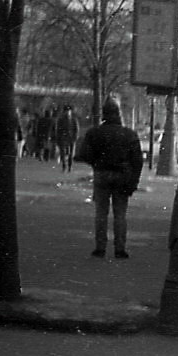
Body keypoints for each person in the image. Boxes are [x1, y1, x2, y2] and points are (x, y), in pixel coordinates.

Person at [75, 99, 144, 259]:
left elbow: (84, 155)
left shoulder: (94, 133)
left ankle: (100, 247)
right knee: (120, 214)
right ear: (118, 114)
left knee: (101, 213)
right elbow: (137, 161)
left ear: (104, 114)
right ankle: (120, 248)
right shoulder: (129, 134)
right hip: (122, 176)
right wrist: (133, 181)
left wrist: (97, 163)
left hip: (101, 174)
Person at [56, 104, 80, 172]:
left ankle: (70, 166)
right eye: (66, 111)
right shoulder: (61, 120)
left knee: (71, 153)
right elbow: (58, 130)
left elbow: (76, 129)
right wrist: (58, 138)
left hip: (71, 138)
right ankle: (64, 165)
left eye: (69, 111)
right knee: (63, 152)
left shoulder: (74, 120)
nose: (68, 112)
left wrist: (75, 137)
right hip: (63, 138)